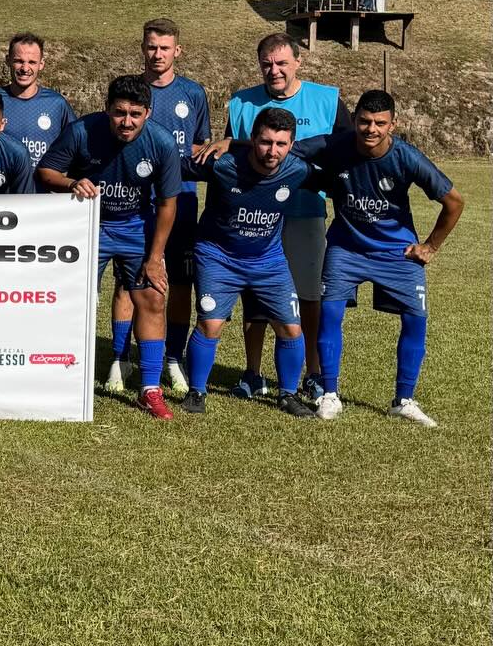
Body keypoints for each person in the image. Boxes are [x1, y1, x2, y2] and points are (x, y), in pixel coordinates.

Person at [309, 90, 464, 427]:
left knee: (415, 319)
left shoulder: (406, 157)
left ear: (393, 124)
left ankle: (404, 400)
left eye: (380, 123)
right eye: (364, 121)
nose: (371, 129)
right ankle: (330, 394)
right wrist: (233, 145)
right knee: (329, 312)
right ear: (353, 121)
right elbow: (282, 146)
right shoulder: (335, 145)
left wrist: (430, 246)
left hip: (397, 253)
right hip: (345, 249)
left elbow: (454, 201)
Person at [38, 75, 181, 419]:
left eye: (135, 114)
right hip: (88, 225)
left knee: (153, 297)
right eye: (119, 113)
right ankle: (57, 377)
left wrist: (156, 257)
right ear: (107, 110)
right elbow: (44, 172)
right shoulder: (82, 131)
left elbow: (167, 203)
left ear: (148, 112)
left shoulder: (161, 143)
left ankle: (149, 389)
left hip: (135, 227)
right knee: (70, 298)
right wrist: (72, 182)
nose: (127, 122)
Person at [225, 31, 350, 400]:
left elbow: (344, 151)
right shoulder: (241, 103)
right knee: (254, 293)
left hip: (305, 210)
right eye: (267, 64)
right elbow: (233, 158)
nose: (274, 70)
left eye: (281, 63)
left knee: (308, 294)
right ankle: (252, 372)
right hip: (254, 215)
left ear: (298, 62)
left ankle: (312, 371)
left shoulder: (327, 99)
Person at [177, 108, 319, 419]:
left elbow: (337, 163)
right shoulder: (223, 164)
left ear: (292, 144)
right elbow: (173, 167)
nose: (272, 151)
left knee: (291, 328)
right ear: (253, 140)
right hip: (218, 256)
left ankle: (288, 395)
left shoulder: (297, 170)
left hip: (268, 260)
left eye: (281, 144)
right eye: (265, 142)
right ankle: (196, 391)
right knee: (210, 323)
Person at [109, 18, 211, 394]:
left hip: (180, 200)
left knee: (180, 282)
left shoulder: (193, 94)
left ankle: (172, 358)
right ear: (142, 48)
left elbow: (200, 146)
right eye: (151, 47)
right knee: (129, 282)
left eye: (164, 48)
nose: (157, 54)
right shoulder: (131, 93)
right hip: (135, 204)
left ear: (177, 51)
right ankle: (120, 359)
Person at [0, 32, 76, 171]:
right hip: (2, 190)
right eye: (19, 61)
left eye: (32, 62)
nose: (25, 69)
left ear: (41, 64)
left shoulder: (57, 104)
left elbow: (76, 145)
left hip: (43, 191)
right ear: (8, 60)